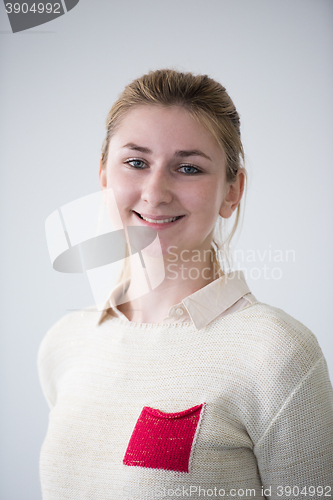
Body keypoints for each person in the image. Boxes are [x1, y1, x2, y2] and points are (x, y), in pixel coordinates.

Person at [38, 69, 333, 500]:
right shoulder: (66, 342)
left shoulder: (278, 353)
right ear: (104, 177)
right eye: (136, 163)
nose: (155, 192)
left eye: (188, 168)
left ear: (233, 192)